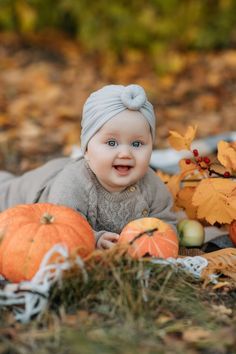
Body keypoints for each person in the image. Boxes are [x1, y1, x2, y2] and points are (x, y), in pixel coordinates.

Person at [0, 84, 177, 249]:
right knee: (5, 191)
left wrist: (163, 239)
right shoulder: (71, 185)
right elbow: (62, 227)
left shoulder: (152, 185)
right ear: (86, 149)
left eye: (137, 144)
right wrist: (95, 238)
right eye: (112, 142)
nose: (125, 153)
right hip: (36, 187)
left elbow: (166, 222)